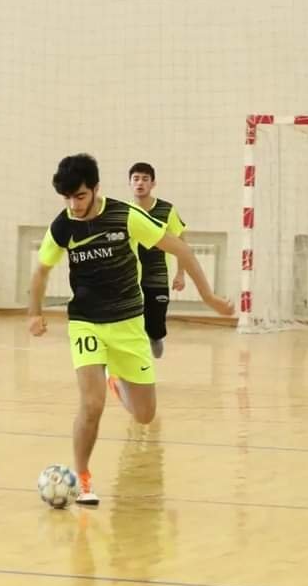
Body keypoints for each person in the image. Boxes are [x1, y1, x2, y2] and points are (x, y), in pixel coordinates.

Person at [27, 154, 234, 505]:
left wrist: (209, 297)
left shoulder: (125, 216)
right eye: (67, 198)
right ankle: (83, 478)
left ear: (96, 189)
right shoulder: (62, 226)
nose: (74, 205)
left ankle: (116, 380)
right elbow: (41, 272)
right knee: (91, 405)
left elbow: (180, 248)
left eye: (80, 196)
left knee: (145, 415)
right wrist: (34, 312)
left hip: (128, 324)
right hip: (86, 323)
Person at [128, 162, 188, 358]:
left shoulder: (166, 210)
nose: (140, 183)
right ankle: (136, 363)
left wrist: (181, 273)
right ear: (130, 183)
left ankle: (155, 338)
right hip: (130, 278)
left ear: (153, 183)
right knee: (131, 325)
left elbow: (181, 241)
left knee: (155, 328)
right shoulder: (125, 211)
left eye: (145, 179)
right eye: (136, 179)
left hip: (157, 276)